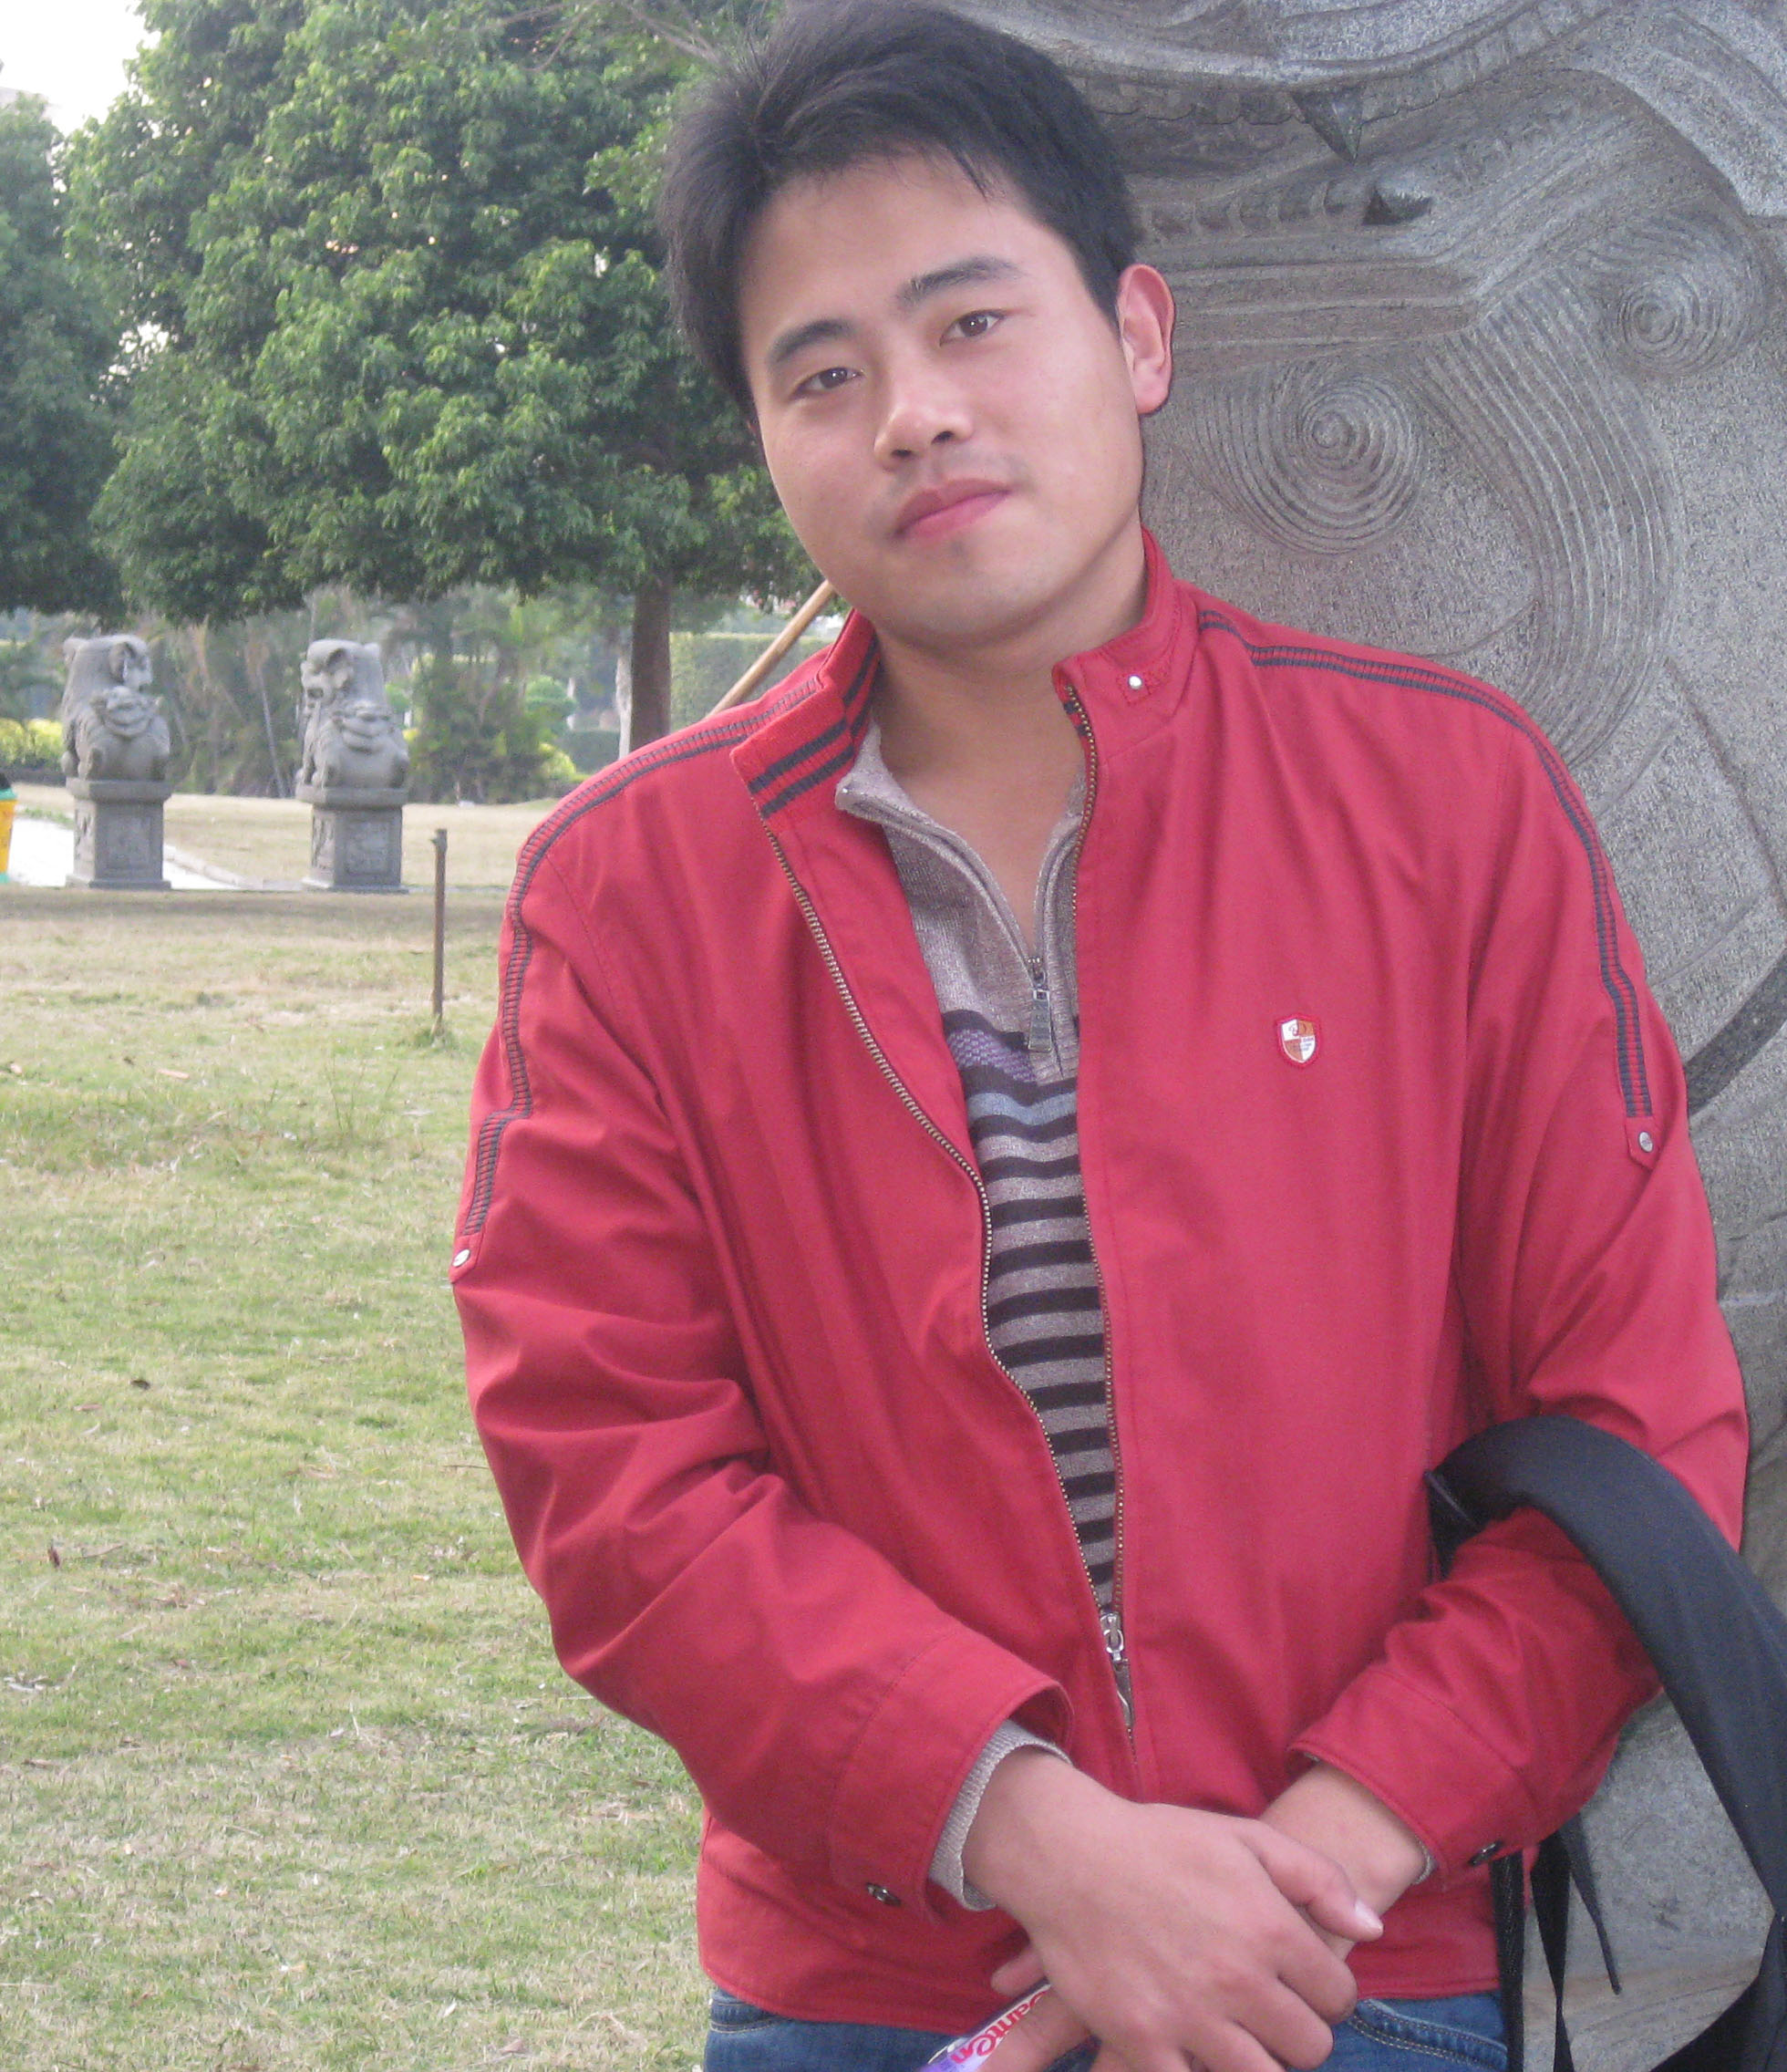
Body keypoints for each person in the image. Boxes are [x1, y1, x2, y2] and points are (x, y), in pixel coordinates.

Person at [450, 6, 1750, 2070]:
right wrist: (1044, 1841)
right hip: (884, 1991)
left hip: (1355, 1969)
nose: (912, 414)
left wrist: (1291, 1876)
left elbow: (1632, 1431)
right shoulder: (629, 891)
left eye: (972, 322)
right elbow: (617, 1481)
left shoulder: (1445, 803)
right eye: (822, 373)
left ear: (1135, 334)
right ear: (765, 439)